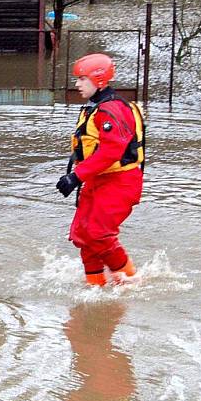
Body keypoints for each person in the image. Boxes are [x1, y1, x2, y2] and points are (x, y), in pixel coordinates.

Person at [56, 53, 145, 286]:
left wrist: (75, 176)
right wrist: (79, 176)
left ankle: (131, 281)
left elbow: (112, 151)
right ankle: (95, 287)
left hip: (120, 181)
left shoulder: (111, 109)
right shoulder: (96, 108)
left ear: (99, 80)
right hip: (98, 179)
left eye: (81, 79)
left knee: (98, 233)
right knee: (82, 235)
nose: (76, 85)